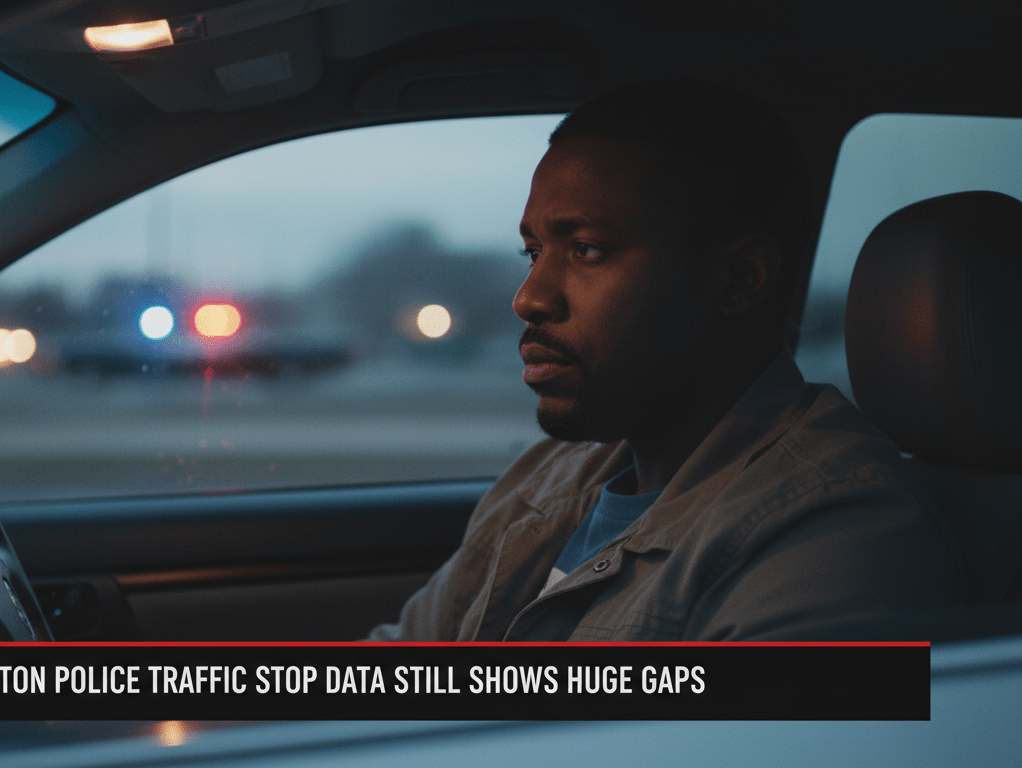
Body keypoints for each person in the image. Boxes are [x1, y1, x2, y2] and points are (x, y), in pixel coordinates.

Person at [369, 81, 966, 641]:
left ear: (739, 279)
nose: (529, 298)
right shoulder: (553, 474)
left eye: (588, 249)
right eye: (533, 252)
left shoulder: (837, 534)